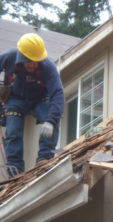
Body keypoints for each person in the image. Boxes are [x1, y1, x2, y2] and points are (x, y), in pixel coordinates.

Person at [0, 33, 64, 177]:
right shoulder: (8, 57)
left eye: (36, 61)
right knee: (13, 131)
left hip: (41, 98)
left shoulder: (48, 66)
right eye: (29, 61)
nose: (33, 64)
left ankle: (44, 159)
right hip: (15, 98)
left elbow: (58, 94)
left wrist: (51, 120)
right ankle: (14, 169)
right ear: (21, 57)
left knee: (51, 117)